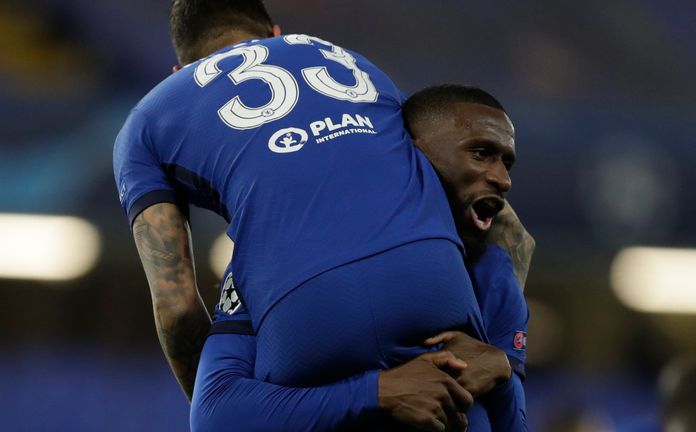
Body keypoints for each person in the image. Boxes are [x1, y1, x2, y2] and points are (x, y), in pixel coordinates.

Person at [113, 1, 512, 430]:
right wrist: (506, 353)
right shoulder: (346, 58)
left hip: (304, 305)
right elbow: (492, 214)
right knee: (463, 402)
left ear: (179, 72)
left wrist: (233, 409)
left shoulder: (148, 117)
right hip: (432, 277)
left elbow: (176, 306)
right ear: (277, 34)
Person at [191, 85, 534, 431]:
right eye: (480, 153)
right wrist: (375, 393)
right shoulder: (278, 256)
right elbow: (217, 414)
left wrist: (501, 373)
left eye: (507, 162)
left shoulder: (492, 272)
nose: (502, 179)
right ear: (409, 155)